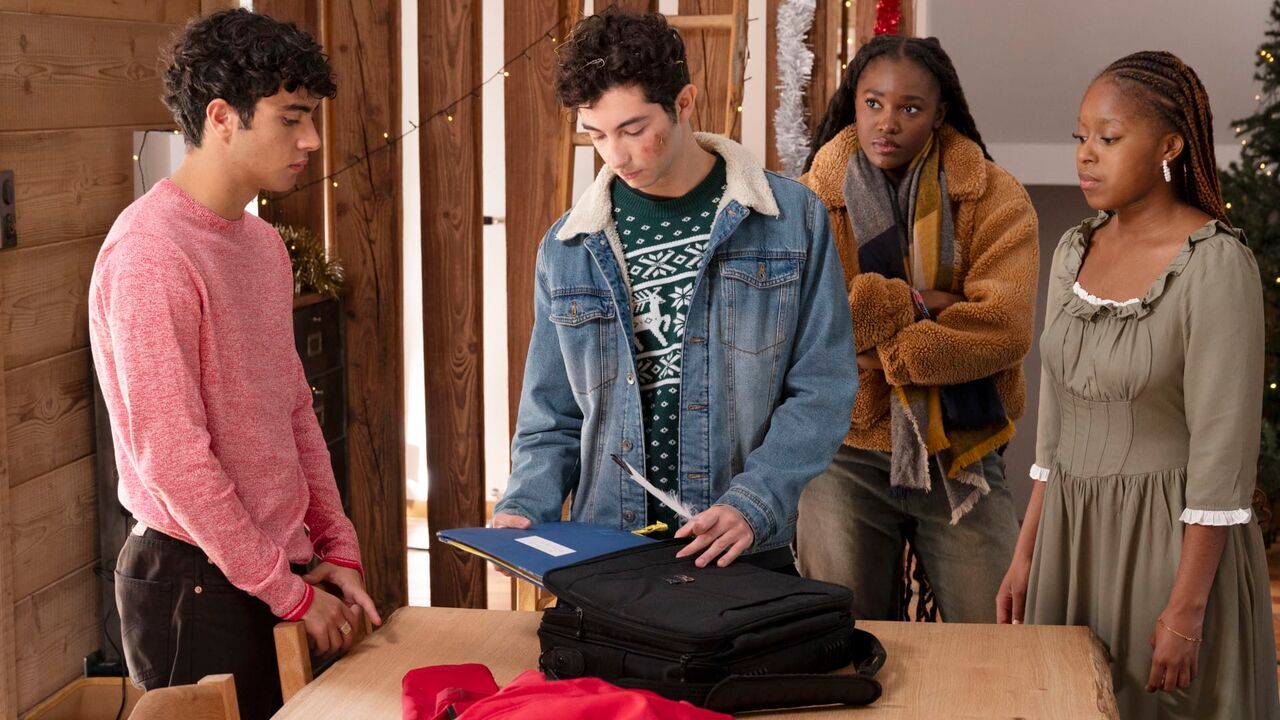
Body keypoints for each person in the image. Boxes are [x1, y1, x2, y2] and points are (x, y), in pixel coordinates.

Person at [89, 10, 380, 719]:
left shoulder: (261, 244)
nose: (311, 140)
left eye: (311, 119)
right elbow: (173, 459)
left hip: (270, 567)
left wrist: (335, 545)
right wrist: (288, 592)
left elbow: (293, 408)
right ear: (222, 117)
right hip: (192, 578)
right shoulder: (151, 254)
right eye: (291, 119)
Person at [491, 9, 856, 572]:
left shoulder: (791, 219)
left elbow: (822, 388)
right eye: (596, 134)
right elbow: (551, 416)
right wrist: (522, 508)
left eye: (633, 130)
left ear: (684, 103)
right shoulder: (567, 247)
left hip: (740, 552)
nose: (615, 155)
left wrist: (754, 501)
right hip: (606, 554)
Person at [999, 51, 1280, 719]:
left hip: (1168, 551)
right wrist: (1026, 554)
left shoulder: (1216, 266)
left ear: (1169, 146)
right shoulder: (1073, 250)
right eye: (1080, 136)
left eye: (1109, 137)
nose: (1086, 154)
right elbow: (1054, 430)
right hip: (1070, 542)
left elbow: (1222, 458)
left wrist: (1186, 610)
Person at [796, 35, 1039, 622]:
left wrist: (880, 352)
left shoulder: (994, 195)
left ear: (939, 113)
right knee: (844, 634)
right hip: (844, 447)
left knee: (998, 632)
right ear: (853, 103)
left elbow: (1003, 329)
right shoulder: (808, 201)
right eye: (873, 103)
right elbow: (807, 327)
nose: (888, 123)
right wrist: (919, 301)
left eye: (909, 108)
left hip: (961, 449)